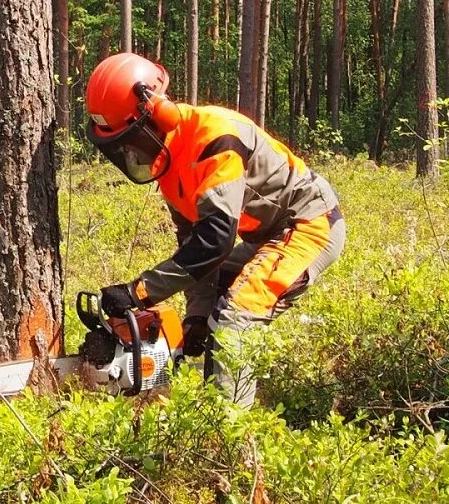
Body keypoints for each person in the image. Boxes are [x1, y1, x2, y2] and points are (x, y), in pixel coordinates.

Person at [86, 52, 345, 407]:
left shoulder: (213, 139)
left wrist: (138, 292)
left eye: (133, 140)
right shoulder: (169, 166)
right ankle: (215, 401)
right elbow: (194, 251)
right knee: (214, 306)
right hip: (266, 236)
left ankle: (227, 432)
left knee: (236, 316)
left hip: (307, 223)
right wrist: (195, 317)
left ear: (158, 113)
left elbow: (214, 241)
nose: (132, 154)